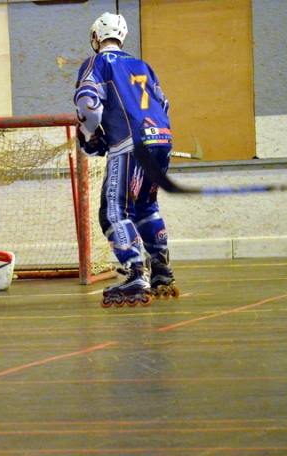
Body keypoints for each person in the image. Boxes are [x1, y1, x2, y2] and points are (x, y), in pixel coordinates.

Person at [73, 12, 177, 307]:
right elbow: (164, 104)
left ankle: (135, 273)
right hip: (162, 139)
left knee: (114, 212)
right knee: (146, 206)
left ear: (96, 37)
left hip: (130, 143)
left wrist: (90, 133)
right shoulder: (142, 65)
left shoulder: (97, 62)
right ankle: (161, 269)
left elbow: (88, 103)